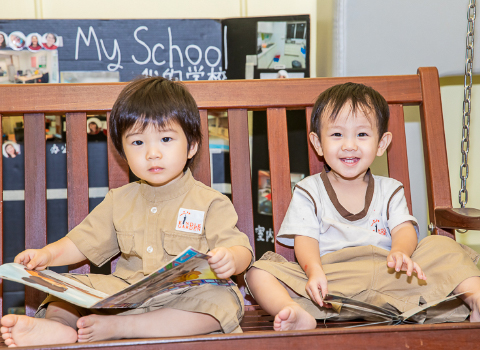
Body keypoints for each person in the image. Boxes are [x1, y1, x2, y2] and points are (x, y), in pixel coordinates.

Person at [0, 77, 253, 347]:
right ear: (123, 151)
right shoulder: (119, 200)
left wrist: (231, 258)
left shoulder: (209, 202)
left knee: (221, 300)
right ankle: (59, 328)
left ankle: (122, 327)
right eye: (137, 143)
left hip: (180, 300)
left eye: (166, 138)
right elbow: (81, 241)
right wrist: (46, 254)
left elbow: (240, 249)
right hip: (123, 295)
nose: (152, 153)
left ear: (191, 146)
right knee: (66, 291)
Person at [245, 82, 480, 331]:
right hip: (334, 280)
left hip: (391, 274)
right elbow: (306, 240)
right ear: (317, 144)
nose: (349, 145)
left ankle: (476, 298)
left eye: (362, 134)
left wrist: (400, 251)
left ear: (381, 144)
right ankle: (292, 311)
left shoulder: (390, 189)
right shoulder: (309, 190)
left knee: (442, 246)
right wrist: (314, 271)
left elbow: (403, 228)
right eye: (337, 134)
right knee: (259, 271)